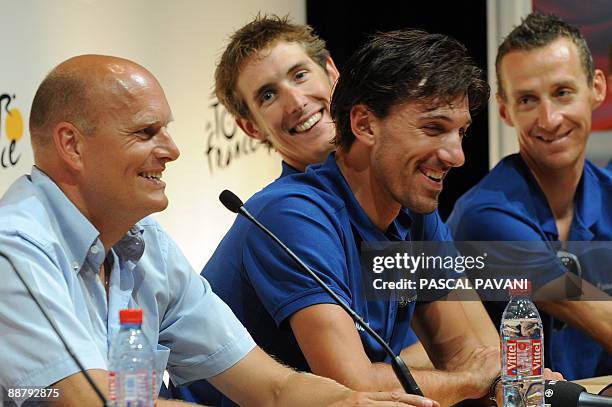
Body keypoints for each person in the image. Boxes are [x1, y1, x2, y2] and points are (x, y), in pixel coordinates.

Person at [0, 54, 440, 407]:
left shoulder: (144, 241)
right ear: (72, 145)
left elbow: (272, 388)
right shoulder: (14, 248)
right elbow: (84, 399)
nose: (172, 150)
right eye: (146, 132)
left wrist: (355, 403)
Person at [202, 28, 509, 407]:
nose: (296, 101)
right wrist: (472, 379)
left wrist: (485, 378)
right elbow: (353, 386)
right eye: (268, 95)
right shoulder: (288, 213)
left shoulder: (407, 198)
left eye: (300, 75)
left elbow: (480, 355)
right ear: (364, 124)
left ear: (332, 73)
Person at [448, 12, 612, 380]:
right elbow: (595, 314)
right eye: (527, 100)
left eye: (562, 92)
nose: (550, 118)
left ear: (597, 88)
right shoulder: (485, 215)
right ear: (505, 110)